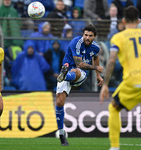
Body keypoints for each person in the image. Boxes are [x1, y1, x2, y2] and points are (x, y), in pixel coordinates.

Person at [100, 6, 141, 150]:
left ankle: (115, 147)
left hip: (132, 81)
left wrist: (105, 84)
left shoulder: (118, 37)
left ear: (123, 20)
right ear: (138, 20)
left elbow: (111, 61)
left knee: (114, 107)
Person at [56, 24, 103, 146]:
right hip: (73, 68)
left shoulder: (96, 47)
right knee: (60, 103)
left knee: (75, 71)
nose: (87, 37)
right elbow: (79, 63)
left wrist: (98, 75)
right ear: (83, 34)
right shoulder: (76, 42)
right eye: (85, 35)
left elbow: (95, 58)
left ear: (94, 37)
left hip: (80, 74)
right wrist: (96, 68)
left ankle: (65, 75)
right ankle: (62, 135)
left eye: (90, 36)